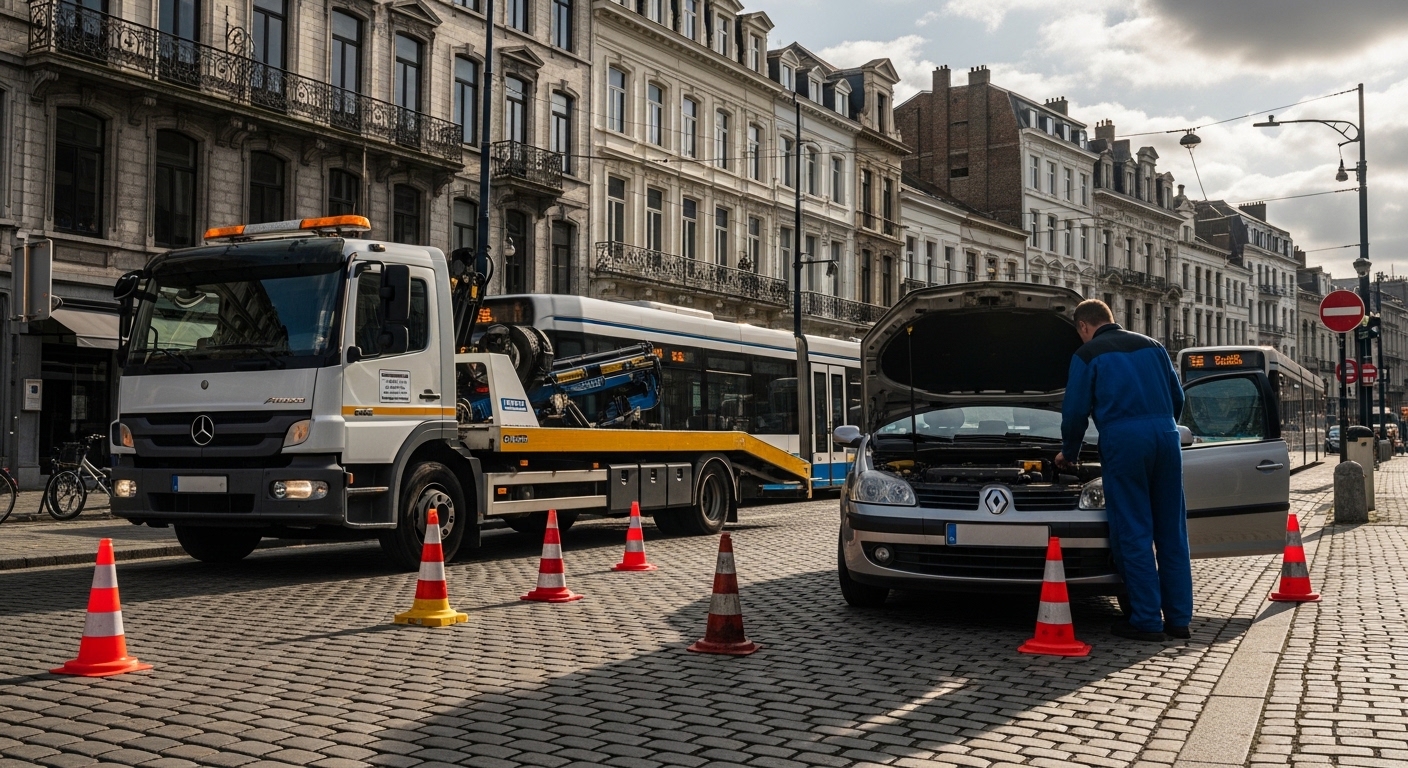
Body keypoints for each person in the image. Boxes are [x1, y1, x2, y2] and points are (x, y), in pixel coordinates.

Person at [1055, 300, 1191, 642]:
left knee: (1133, 530)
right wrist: (1162, 427)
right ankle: (1178, 620)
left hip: (1124, 439)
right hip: (1166, 435)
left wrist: (1068, 454)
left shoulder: (1087, 355)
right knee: (1172, 531)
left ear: (1084, 327)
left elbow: (1074, 413)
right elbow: (1178, 398)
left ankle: (1146, 620)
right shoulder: (1154, 346)